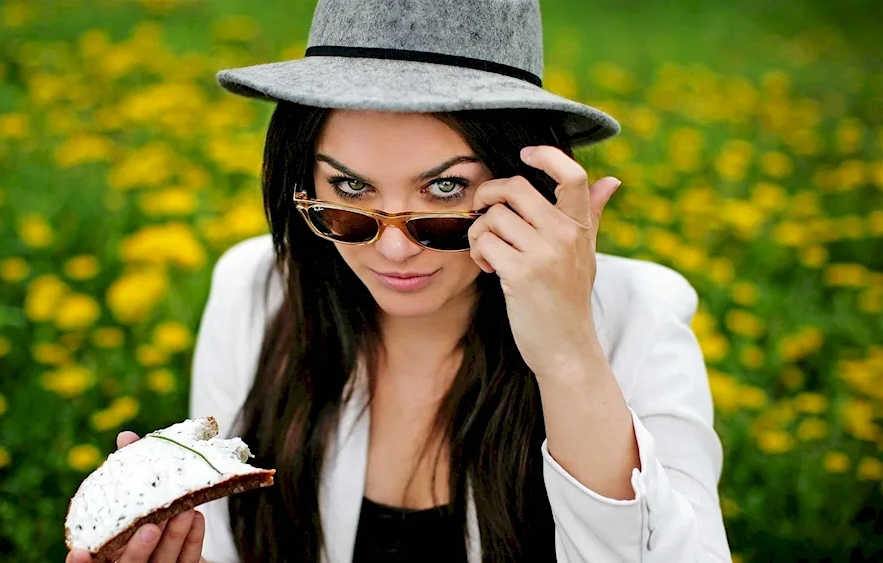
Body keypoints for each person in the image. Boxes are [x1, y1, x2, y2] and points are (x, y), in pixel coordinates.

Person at [67, 0, 733, 561]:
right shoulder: (255, 292)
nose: (392, 249)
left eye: (444, 189)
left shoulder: (636, 318)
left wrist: (567, 353)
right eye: (349, 191)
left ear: (525, 182)